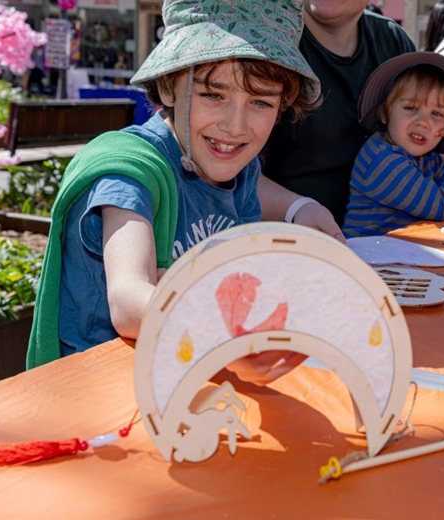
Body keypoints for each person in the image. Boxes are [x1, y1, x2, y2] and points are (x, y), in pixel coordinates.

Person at [27, 0, 321, 386]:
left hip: (187, 382)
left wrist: (300, 208)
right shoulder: (128, 173)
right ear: (168, 85)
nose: (235, 126)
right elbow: (129, 300)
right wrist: (228, 336)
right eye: (213, 95)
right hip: (98, 396)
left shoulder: (242, 173)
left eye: (260, 102)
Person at [261, 0, 444, 233]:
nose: (423, 119)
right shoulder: (269, 37)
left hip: (399, 247)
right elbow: (229, 174)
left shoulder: (392, 41)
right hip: (297, 245)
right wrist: (297, 208)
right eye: (411, 108)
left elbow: (436, 153)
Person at [342, 53, 444, 237]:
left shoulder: (430, 159)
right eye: (411, 108)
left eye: (437, 114)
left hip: (403, 256)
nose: (423, 122)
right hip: (367, 260)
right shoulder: (382, 160)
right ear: (384, 114)